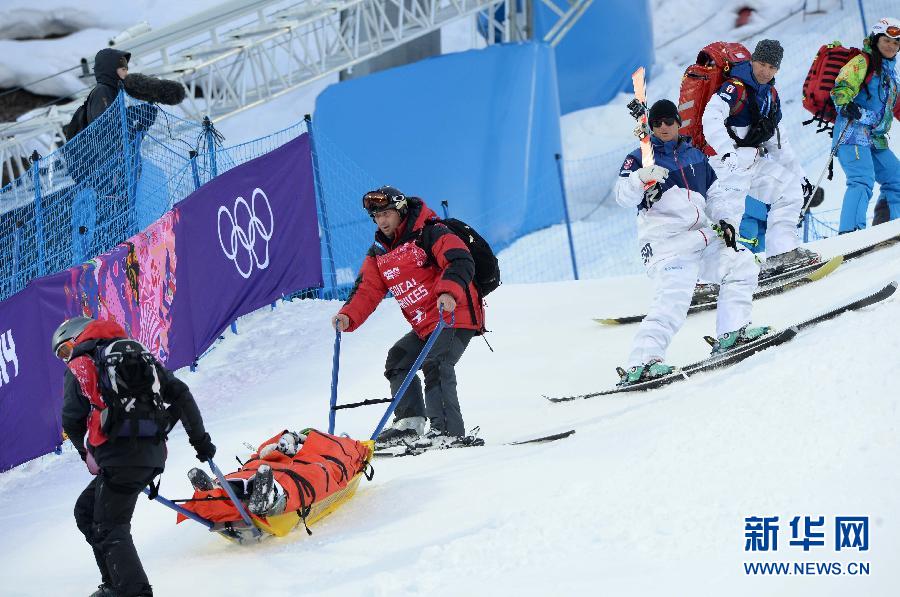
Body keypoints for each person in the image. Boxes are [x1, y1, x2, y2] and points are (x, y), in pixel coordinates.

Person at [54, 317, 215, 597]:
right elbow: (180, 394)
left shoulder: (81, 362)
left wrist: (86, 453)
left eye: (65, 350)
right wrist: (200, 442)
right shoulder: (138, 354)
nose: (66, 358)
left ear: (77, 337)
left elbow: (71, 417)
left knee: (109, 525)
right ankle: (114, 585)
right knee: (87, 511)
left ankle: (134, 592)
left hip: (117, 455)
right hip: (150, 452)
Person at [616, 99, 768, 384]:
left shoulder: (693, 155)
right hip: (667, 244)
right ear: (651, 125)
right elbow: (622, 196)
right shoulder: (639, 158)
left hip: (702, 238)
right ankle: (643, 362)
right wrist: (640, 179)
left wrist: (724, 220)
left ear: (678, 122)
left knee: (741, 264)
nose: (663, 127)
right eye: (657, 122)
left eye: (669, 121)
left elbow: (714, 195)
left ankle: (732, 332)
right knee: (672, 302)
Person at [331, 186, 484, 449]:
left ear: (401, 211)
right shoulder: (380, 252)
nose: (382, 221)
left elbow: (460, 260)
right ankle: (410, 423)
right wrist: (347, 315)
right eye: (377, 216)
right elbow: (368, 288)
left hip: (454, 314)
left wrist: (448, 291)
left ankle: (448, 430)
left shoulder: (431, 232)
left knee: (436, 361)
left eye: (387, 213)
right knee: (399, 359)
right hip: (426, 324)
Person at [702, 39, 819, 274]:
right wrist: (726, 152)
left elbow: (778, 143)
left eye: (772, 67)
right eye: (762, 64)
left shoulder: (770, 96)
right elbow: (710, 117)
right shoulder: (735, 87)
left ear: (777, 69)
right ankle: (712, 277)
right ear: (753, 60)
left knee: (790, 189)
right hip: (725, 166)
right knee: (727, 220)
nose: (765, 71)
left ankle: (783, 253)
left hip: (753, 162)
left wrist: (800, 177)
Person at [183, 428, 371, 526]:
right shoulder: (294, 439)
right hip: (279, 464)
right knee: (253, 470)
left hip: (316, 464)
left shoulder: (344, 445)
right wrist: (278, 447)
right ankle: (220, 490)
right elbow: (264, 450)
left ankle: (270, 495)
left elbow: (349, 459)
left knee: (312, 475)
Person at [831, 17, 900, 233]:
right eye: (887, 40)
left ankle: (890, 227)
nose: (891, 46)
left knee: (896, 179)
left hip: (876, 137)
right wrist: (845, 103)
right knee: (861, 179)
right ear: (876, 39)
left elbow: (893, 106)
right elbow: (841, 86)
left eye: (896, 43)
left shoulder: (890, 73)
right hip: (852, 132)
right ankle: (850, 234)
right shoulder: (862, 61)